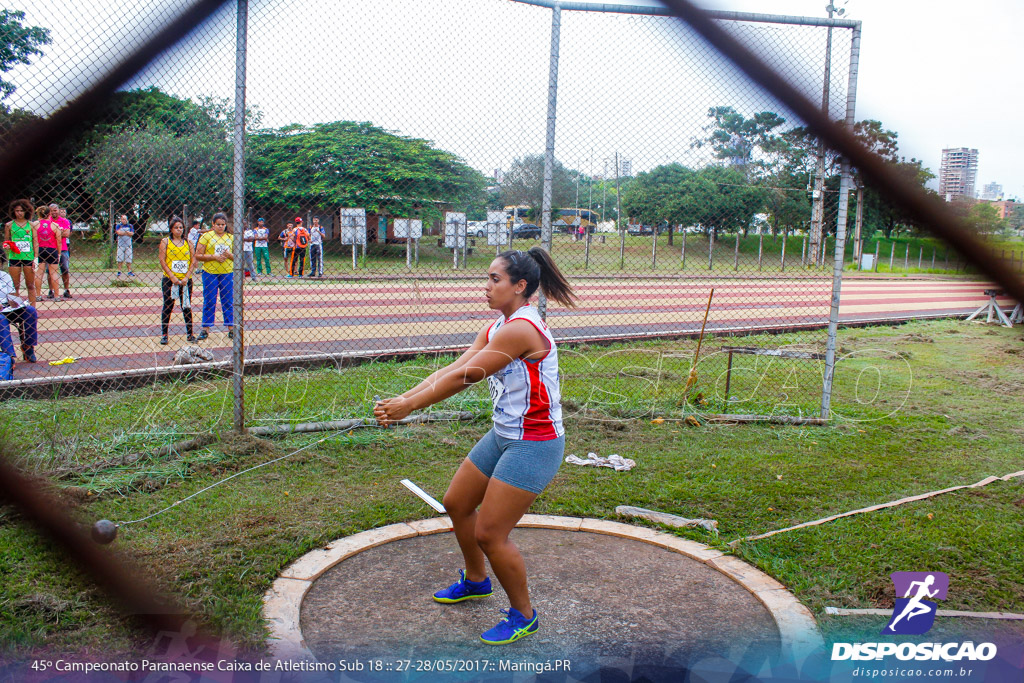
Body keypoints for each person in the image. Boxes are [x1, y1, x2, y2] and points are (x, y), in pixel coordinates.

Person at [374, 247, 577, 646]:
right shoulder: (498, 326)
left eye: (494, 279)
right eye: (487, 278)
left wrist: (409, 406)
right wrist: (403, 400)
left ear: (520, 287)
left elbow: (467, 376)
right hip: (504, 435)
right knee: (457, 502)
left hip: (535, 442)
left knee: (490, 533)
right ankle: (477, 580)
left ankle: (524, 615)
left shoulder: (522, 329)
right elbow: (451, 367)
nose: (485, 287)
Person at [195, 213, 234, 340]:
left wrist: (229, 255)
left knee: (228, 300)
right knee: (210, 300)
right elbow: (198, 255)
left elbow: (238, 257)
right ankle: (205, 328)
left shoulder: (231, 237)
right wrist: (214, 257)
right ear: (213, 224)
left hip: (227, 272)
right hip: (210, 272)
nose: (221, 227)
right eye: (218, 224)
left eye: (223, 225)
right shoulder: (206, 236)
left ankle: (231, 328)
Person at [158, 216, 197, 345]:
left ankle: (190, 334)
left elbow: (193, 261)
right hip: (169, 279)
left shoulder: (188, 243)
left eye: (181, 227)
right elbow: (162, 260)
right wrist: (172, 277)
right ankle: (164, 334)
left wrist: (186, 277)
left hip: (185, 280)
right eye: (176, 227)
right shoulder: (166, 242)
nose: (179, 230)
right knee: (168, 306)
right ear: (171, 229)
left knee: (186, 306)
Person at [0, 265, 38, 366]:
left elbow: (12, 294)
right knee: (1, 319)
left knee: (30, 311)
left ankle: (28, 346)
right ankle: (9, 356)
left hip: (7, 308)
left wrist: (14, 301)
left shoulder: (4, 276)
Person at [4, 199, 37, 306]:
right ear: (13, 211)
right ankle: (16, 308)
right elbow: (6, 241)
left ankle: (32, 309)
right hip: (14, 257)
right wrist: (7, 245)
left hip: (28, 257)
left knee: (30, 285)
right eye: (17, 210)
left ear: (26, 211)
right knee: (15, 285)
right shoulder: (9, 225)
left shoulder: (31, 225)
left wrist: (36, 258)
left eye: (22, 210)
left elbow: (35, 242)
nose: (19, 213)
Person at [34, 206, 62, 302]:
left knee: (39, 273)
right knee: (54, 272)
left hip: (40, 249)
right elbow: (59, 241)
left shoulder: (35, 225)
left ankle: (38, 295)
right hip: (52, 249)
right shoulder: (55, 225)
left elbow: (33, 238)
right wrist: (59, 253)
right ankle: (57, 296)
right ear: (49, 214)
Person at [56, 206, 72, 299]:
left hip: (63, 248)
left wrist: (55, 233)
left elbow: (67, 233)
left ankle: (66, 289)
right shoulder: (48, 221)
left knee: (65, 269)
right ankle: (52, 290)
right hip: (51, 248)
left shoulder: (65, 221)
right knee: (50, 271)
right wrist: (60, 233)